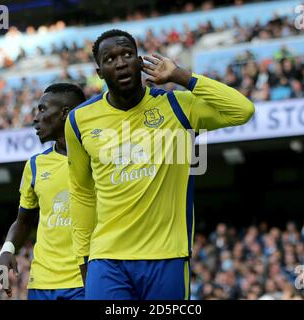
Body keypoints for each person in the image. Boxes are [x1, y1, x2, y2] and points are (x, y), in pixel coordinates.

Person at [65, 29, 254, 300]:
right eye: (110, 59)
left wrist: (181, 77)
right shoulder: (79, 120)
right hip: (107, 258)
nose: (120, 63)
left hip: (167, 256)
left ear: (140, 61)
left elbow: (242, 110)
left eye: (127, 54)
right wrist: (84, 259)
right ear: (99, 72)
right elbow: (81, 193)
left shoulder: (178, 107)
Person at [0, 83, 86, 300]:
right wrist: (7, 250)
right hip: (41, 283)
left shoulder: (97, 157)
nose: (35, 118)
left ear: (65, 113)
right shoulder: (35, 165)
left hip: (86, 279)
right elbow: (24, 221)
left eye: (43, 109)